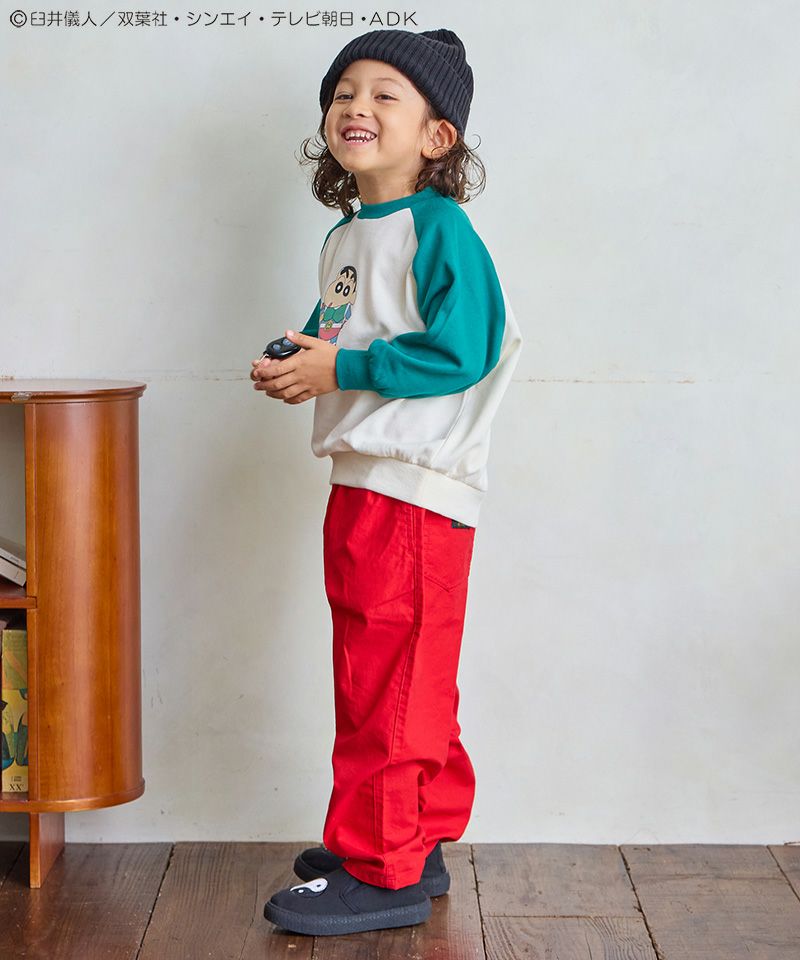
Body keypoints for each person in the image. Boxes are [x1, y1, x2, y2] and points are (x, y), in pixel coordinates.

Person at [252, 26, 523, 937]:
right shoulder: (348, 234)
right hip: (364, 481)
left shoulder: (439, 229)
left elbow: (461, 350)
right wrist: (300, 359)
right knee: (396, 673)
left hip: (414, 489)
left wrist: (341, 369)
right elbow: (344, 332)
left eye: (383, 94)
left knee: (389, 682)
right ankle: (413, 835)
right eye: (343, 92)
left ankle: (381, 869)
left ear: (437, 136)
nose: (355, 107)